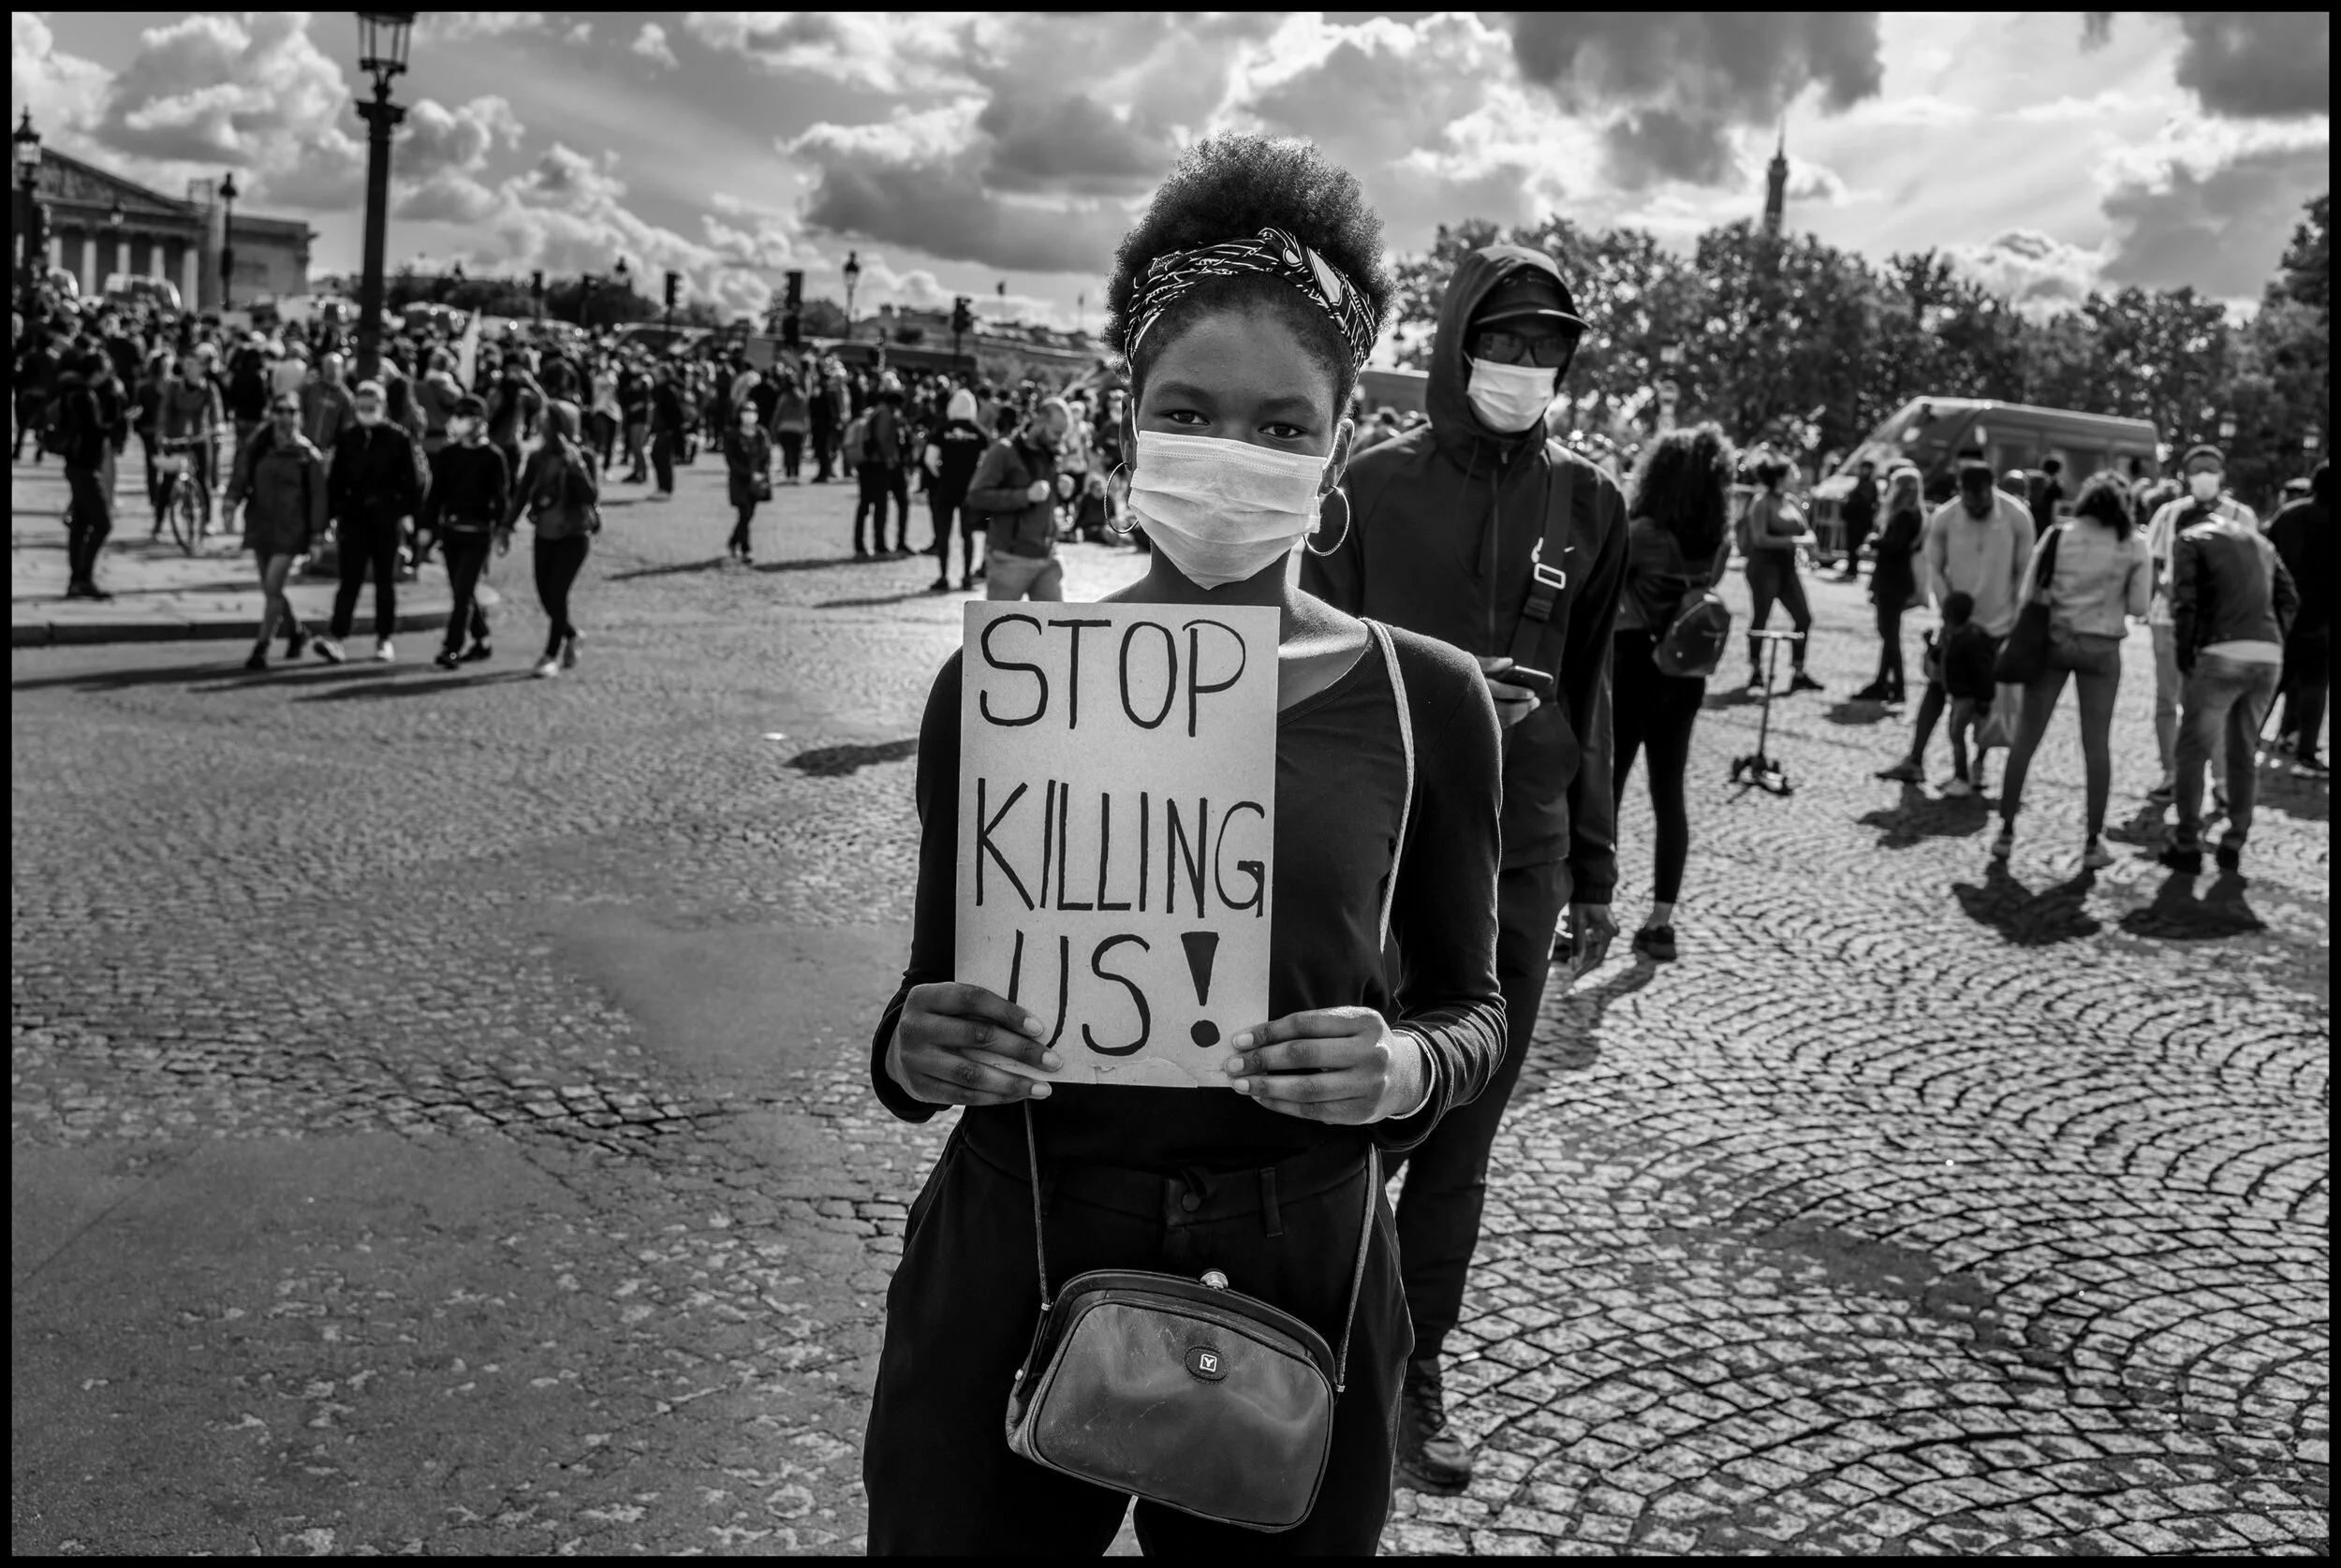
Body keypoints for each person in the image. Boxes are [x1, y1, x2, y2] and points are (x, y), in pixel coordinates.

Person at [863, 131, 1506, 1557]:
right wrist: (916, 1049)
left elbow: (1478, 1008)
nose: (1235, 453)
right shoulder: (1006, 682)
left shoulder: (1431, 701)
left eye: (1283, 424)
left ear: (1342, 441)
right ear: (1133, 422)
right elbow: (920, 1010)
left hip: (1302, 1273)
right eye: (1191, 410)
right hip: (1016, 1241)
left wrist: (1402, 1063)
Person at [1301, 237, 1626, 1495]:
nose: (1524, 364)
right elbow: (1301, 663)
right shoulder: (1369, 489)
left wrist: (1596, 860)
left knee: (1464, 1133)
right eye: (1505, 340)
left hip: (1523, 856)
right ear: (1455, 343)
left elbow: (1592, 690)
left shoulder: (1591, 503)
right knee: (1351, 1112)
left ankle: (1412, 1364)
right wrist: (1426, 690)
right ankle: (1304, 1334)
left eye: (1549, 346)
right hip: (1377, 849)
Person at [1610, 424, 1733, 961]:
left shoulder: (1641, 532)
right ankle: (1661, 921)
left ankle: (1589, 909)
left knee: (1606, 790)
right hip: (1685, 674)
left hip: (1634, 660)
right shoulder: (1716, 542)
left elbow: (1610, 584)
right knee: (1670, 794)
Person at [1991, 473, 2152, 864]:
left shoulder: (2058, 536)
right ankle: (2094, 841)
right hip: (2101, 648)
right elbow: (2138, 607)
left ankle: (2006, 831)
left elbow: (2029, 593)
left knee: (2027, 739)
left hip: (2055, 642)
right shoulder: (2133, 544)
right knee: (2096, 746)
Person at [2160, 481, 2300, 874]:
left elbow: (2184, 602)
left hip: (2221, 654)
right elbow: (2289, 599)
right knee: (2243, 752)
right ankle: (2235, 839)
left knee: (2192, 749)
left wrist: (2187, 655)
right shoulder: (2261, 543)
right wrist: (2271, 638)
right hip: (2267, 656)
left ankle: (2186, 841)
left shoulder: (2188, 537)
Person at [1876, 459, 2036, 789]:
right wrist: (1950, 617)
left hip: (1997, 625)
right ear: (1960, 492)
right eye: (1970, 498)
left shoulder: (2017, 517)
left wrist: (2016, 624)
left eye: (1982, 498)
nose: (1976, 504)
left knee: (1985, 698)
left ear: (1991, 489)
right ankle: (1916, 759)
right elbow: (1936, 567)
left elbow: (2024, 575)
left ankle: (1977, 766)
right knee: (1936, 686)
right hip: (1955, 624)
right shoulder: (1946, 517)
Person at [2142, 446, 2257, 803]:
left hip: (2218, 623)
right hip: (2170, 617)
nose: (2204, 475)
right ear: (2187, 475)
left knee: (2217, 703)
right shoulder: (2168, 514)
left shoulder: (2241, 516)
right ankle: (2171, 772)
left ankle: (2221, 780)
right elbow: (2155, 566)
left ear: (2221, 473)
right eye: (2198, 469)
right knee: (2167, 697)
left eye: (2210, 468)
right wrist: (2176, 594)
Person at [316, 379, 424, 665]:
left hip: (385, 519)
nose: (366, 411)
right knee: (349, 580)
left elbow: (412, 482)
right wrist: (329, 517)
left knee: (385, 581)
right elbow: (335, 480)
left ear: (382, 407)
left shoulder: (398, 439)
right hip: (353, 519)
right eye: (361, 407)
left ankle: (384, 637)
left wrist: (404, 514)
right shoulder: (348, 437)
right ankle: (337, 636)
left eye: (371, 406)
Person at [221, 389, 329, 670]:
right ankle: (296, 631)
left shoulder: (307, 455)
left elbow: (319, 498)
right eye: (279, 410)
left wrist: (318, 536)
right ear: (271, 413)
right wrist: (230, 504)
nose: (285, 417)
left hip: (291, 530)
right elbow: (241, 477)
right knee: (272, 590)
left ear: (299, 417)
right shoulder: (258, 446)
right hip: (260, 524)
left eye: (291, 411)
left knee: (272, 586)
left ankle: (261, 647)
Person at [505, 399, 599, 678]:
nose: (544, 428)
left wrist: (576, 467)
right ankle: (572, 633)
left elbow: (590, 497)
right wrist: (506, 526)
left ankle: (550, 654)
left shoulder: (585, 456)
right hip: (545, 530)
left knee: (558, 592)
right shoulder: (538, 458)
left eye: (549, 423)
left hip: (574, 533)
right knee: (545, 595)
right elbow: (522, 494)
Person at [418, 393, 508, 669]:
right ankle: (482, 639)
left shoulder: (493, 457)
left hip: (478, 533)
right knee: (462, 590)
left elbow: (502, 499)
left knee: (462, 592)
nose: (458, 421)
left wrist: (500, 530)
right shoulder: (449, 454)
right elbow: (436, 495)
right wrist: (426, 527)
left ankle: (451, 647)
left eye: (465, 416)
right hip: (451, 532)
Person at [964, 398, 1067, 600]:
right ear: (1039, 422)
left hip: (1048, 557)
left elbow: (1046, 496)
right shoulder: (1003, 451)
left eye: (1063, 434)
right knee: (1000, 629)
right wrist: (1025, 496)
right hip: (1009, 558)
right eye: (1056, 433)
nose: (1060, 440)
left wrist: (1062, 487)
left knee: (1057, 629)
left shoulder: (1051, 453)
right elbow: (976, 496)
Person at [2268, 462, 2330, 778]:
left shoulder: (2289, 514)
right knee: (2316, 686)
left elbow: (2265, 555)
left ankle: (2249, 735)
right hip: (2321, 619)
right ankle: (2306, 750)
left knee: (2274, 680)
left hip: (2282, 613)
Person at [1741, 456, 1821, 694]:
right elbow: (1760, 538)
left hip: (1787, 567)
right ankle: (1756, 670)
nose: (1796, 479)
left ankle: (1798, 670)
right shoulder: (1761, 502)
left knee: (1804, 617)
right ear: (1779, 478)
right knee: (1761, 617)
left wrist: (1811, 547)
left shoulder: (1792, 502)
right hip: (1763, 566)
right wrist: (1798, 540)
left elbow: (1808, 532)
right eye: (1792, 474)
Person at [53, 348, 123, 600]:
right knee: (103, 523)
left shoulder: (73, 390)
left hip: (76, 464)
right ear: (96, 372)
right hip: (85, 466)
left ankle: (77, 580)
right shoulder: (84, 395)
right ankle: (83, 577)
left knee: (81, 524)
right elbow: (95, 431)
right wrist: (118, 416)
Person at [1852, 465, 1925, 705]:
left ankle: (1897, 685)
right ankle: (1884, 681)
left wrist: (1875, 542)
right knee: (1888, 633)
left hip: (1892, 579)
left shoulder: (1905, 514)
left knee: (1890, 634)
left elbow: (1895, 545)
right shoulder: (1913, 513)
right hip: (1896, 578)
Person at [923, 387, 990, 592]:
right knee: (967, 534)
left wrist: (942, 474)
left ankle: (943, 576)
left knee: (944, 533)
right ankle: (967, 576)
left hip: (946, 487)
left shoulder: (942, 430)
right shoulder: (979, 433)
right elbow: (987, 464)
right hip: (968, 489)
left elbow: (929, 459)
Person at [852, 376, 916, 555]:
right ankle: (882, 544)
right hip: (881, 465)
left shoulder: (875, 412)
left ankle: (866, 543)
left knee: (870, 504)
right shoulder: (885, 414)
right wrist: (890, 459)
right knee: (883, 505)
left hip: (875, 464)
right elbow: (883, 439)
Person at [723, 398, 773, 564]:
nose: (749, 416)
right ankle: (746, 548)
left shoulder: (761, 434)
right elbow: (731, 461)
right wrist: (748, 474)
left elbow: (767, 456)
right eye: (746, 412)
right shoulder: (733, 435)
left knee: (749, 514)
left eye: (752, 412)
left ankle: (734, 541)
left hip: (757, 481)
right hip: (740, 480)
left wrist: (762, 473)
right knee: (744, 512)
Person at [300, 350, 359, 454]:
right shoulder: (312, 388)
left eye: (334, 367)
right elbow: (301, 411)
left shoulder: (346, 397)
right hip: (306, 445)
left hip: (327, 450)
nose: (330, 371)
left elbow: (347, 427)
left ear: (342, 370)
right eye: (328, 367)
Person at [1839, 457, 1879, 580]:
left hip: (1859, 522)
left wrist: (1849, 503)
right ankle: (1850, 570)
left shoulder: (1869, 484)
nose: (1861, 471)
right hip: (1855, 521)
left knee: (1854, 548)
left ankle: (1852, 572)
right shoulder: (1863, 483)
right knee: (1852, 547)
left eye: (1864, 468)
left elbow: (1862, 503)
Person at [649, 365, 685, 499]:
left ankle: (665, 488)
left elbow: (674, 413)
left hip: (667, 430)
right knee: (657, 456)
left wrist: (671, 430)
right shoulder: (664, 389)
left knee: (662, 457)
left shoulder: (668, 390)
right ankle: (662, 487)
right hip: (662, 429)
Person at [772, 371, 810, 483]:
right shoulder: (802, 397)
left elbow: (777, 413)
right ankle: (796, 475)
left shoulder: (784, 398)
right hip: (798, 428)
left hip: (784, 428)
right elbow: (806, 414)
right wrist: (807, 429)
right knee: (797, 453)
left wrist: (774, 426)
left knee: (787, 452)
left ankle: (788, 474)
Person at [2031, 455, 2065, 536]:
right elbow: (2055, 508)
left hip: (2031, 518)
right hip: (2045, 522)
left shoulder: (2034, 481)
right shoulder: (2057, 487)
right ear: (2058, 470)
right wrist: (2053, 525)